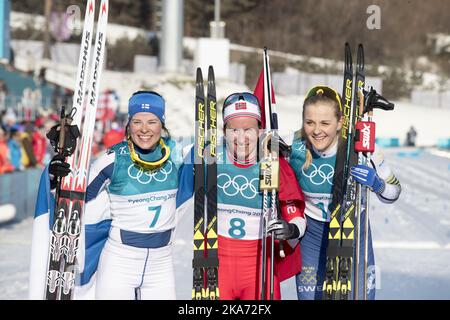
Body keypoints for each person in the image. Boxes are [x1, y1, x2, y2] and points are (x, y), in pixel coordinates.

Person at [29, 91, 188, 300]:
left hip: (161, 267)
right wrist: (58, 168)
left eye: (152, 122)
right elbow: (74, 195)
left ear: (162, 124)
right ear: (129, 124)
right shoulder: (112, 158)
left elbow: (225, 156)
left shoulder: (176, 155)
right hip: (119, 264)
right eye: (137, 121)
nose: (144, 129)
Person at [182, 92, 307, 300]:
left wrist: (291, 229)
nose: (241, 138)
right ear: (224, 131)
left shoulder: (273, 162)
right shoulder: (209, 158)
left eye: (248, 129)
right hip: (216, 263)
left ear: (259, 130)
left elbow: (296, 215)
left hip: (259, 266)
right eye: (233, 130)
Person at [286, 85, 402, 300]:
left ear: (340, 122)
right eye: (309, 122)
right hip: (311, 237)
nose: (316, 130)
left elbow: (394, 191)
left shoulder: (363, 149)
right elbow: (251, 148)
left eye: (325, 123)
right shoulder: (292, 145)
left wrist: (377, 184)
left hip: (351, 233)